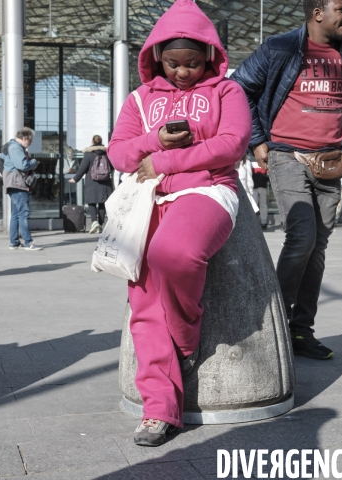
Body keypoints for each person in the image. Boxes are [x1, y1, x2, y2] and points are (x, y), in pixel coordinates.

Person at [107, 0, 251, 447]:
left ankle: (184, 341)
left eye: (192, 63)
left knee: (174, 253)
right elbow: (119, 152)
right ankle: (159, 412)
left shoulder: (228, 91)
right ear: (156, 57)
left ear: (210, 55)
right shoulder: (139, 98)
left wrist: (165, 159)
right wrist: (154, 139)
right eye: (172, 63)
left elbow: (232, 144)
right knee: (142, 298)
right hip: (148, 200)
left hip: (208, 192)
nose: (183, 73)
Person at [231, 0, 342, 360]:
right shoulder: (281, 48)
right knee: (302, 236)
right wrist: (257, 140)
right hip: (287, 156)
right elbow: (238, 88)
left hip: (330, 161)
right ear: (318, 12)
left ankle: (301, 332)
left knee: (317, 246)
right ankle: (271, 323)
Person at [2, 127, 43, 251]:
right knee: (24, 213)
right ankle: (28, 242)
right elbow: (23, 165)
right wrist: (34, 163)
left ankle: (14, 242)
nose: (30, 144)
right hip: (17, 183)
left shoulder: (12, 146)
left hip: (14, 182)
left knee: (16, 214)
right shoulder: (15, 147)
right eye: (29, 141)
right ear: (24, 138)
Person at [69, 135, 113, 234]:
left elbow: (82, 168)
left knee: (91, 202)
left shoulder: (89, 154)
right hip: (105, 183)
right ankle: (100, 225)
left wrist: (75, 179)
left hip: (92, 182)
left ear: (92, 142)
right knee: (102, 204)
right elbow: (112, 167)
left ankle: (94, 222)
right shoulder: (107, 154)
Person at [252, 155, 270, 229]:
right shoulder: (251, 161)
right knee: (255, 205)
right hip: (255, 187)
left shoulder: (263, 161)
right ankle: (255, 221)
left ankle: (263, 221)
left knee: (262, 205)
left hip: (261, 186)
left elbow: (268, 174)